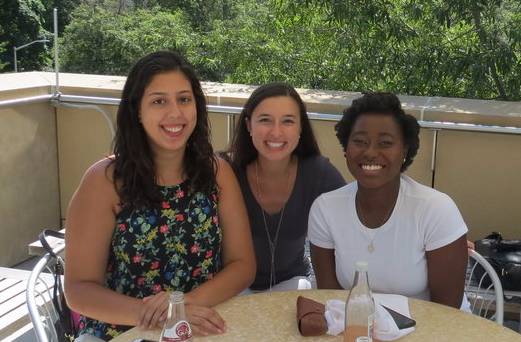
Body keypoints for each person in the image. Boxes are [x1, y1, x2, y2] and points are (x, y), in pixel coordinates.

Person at [64, 51, 256, 340]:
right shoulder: (105, 181)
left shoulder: (217, 173)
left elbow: (243, 265)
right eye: (158, 101)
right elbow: (79, 289)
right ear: (137, 111)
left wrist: (181, 307)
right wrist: (165, 314)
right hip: (123, 330)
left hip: (201, 323)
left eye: (184, 99)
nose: (175, 113)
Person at [309, 92, 468, 308]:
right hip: (357, 328)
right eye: (360, 141)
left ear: (404, 151)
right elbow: (331, 299)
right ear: (346, 149)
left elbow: (447, 310)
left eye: (385, 143)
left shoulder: (436, 210)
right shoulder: (325, 209)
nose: (371, 152)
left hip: (429, 328)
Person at [226, 82, 345, 292]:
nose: (276, 132)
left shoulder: (319, 174)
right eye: (265, 120)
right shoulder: (225, 172)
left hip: (293, 286)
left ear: (300, 127)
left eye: (288, 121)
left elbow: (350, 230)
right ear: (248, 125)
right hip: (230, 288)